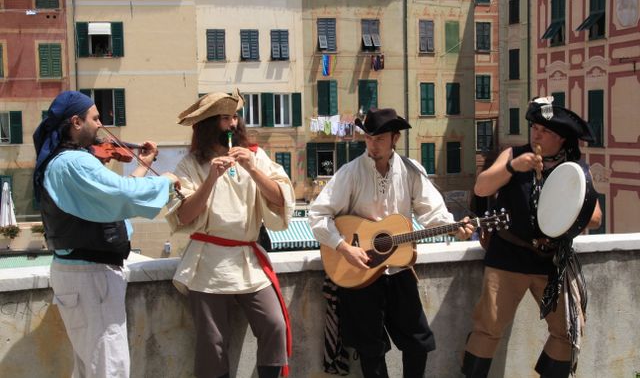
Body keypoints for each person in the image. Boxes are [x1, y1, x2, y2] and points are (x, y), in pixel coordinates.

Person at [309, 108, 474, 378]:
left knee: (419, 342)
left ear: (395, 138)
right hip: (359, 270)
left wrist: (456, 228)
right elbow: (317, 215)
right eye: (369, 138)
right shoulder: (349, 173)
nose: (373, 145)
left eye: (380, 139)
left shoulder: (410, 170)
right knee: (370, 348)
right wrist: (344, 247)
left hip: (398, 270)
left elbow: (432, 212)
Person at [32, 90, 179, 378]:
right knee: (109, 368)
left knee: (93, 367)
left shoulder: (66, 161)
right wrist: (166, 183)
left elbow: (112, 199)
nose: (101, 124)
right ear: (76, 122)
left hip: (83, 273)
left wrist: (141, 166)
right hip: (90, 277)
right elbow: (120, 195)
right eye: (95, 117)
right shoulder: (74, 162)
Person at [461, 97, 602, 378]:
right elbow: (481, 186)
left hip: (551, 262)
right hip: (507, 258)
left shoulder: (573, 168)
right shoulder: (514, 153)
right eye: (534, 127)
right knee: (487, 328)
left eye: (544, 131)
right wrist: (514, 166)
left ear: (561, 139)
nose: (535, 134)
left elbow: (595, 217)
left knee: (566, 330)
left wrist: (565, 206)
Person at [166, 90, 295, 378]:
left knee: (274, 325)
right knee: (213, 343)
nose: (233, 124)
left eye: (235, 116)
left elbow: (281, 199)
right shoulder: (190, 165)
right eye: (225, 118)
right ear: (209, 124)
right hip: (207, 261)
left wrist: (252, 169)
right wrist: (210, 179)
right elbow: (184, 215)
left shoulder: (255, 156)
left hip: (248, 258)